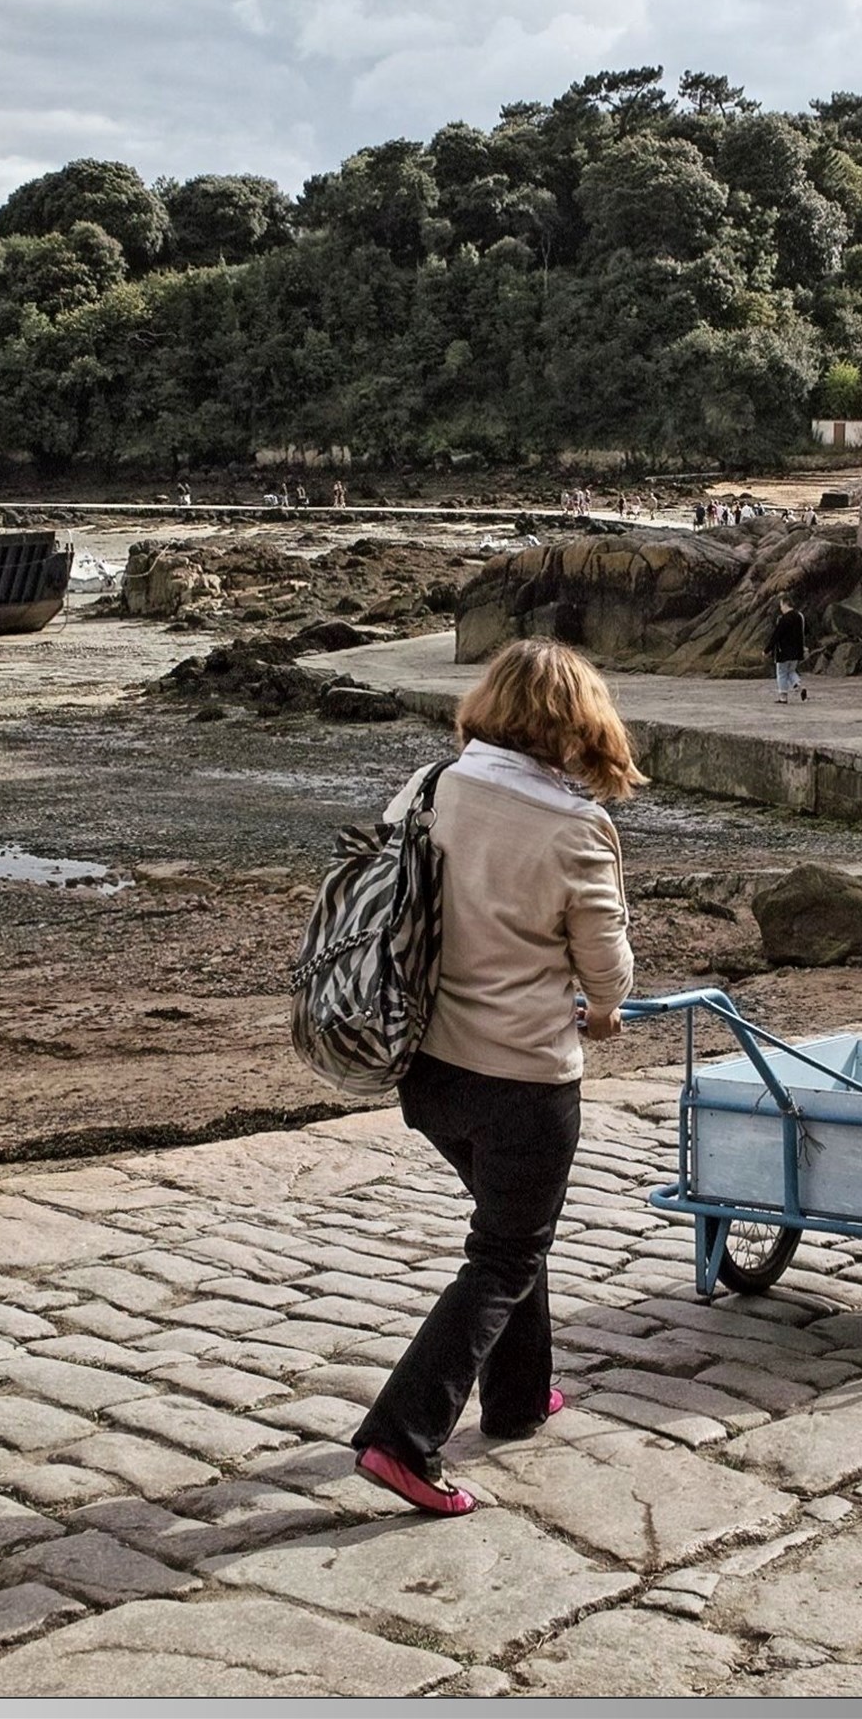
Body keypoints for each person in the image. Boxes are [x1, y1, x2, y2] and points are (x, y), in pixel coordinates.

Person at [350, 639, 641, 1516]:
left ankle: (517, 1399)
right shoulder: (574, 825)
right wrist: (603, 1011)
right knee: (506, 1250)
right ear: (576, 724)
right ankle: (401, 1438)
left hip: (426, 1066)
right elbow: (606, 965)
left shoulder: (429, 785)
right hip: (522, 1076)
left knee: (515, 1230)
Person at [767, 597, 809, 704]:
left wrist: (767, 650)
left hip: (783, 652)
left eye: (781, 605)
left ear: (785, 604)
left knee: (781, 673)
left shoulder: (783, 619)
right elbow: (805, 631)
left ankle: (783, 697)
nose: (781, 608)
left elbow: (776, 635)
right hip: (797, 651)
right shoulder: (800, 616)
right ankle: (799, 686)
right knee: (791, 671)